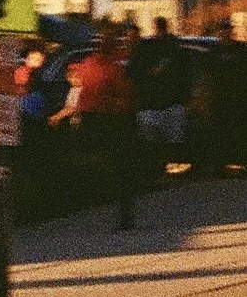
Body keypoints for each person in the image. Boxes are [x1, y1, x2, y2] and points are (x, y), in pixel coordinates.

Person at [49, 23, 138, 228]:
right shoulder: (115, 67)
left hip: (90, 119)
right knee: (119, 168)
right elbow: (126, 94)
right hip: (111, 120)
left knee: (91, 162)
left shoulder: (90, 63)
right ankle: (122, 213)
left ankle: (84, 202)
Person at [129, 17, 191, 171]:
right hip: (169, 100)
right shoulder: (175, 48)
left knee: (156, 139)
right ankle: (166, 166)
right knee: (170, 138)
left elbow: (134, 72)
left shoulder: (148, 48)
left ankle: (159, 167)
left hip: (154, 101)